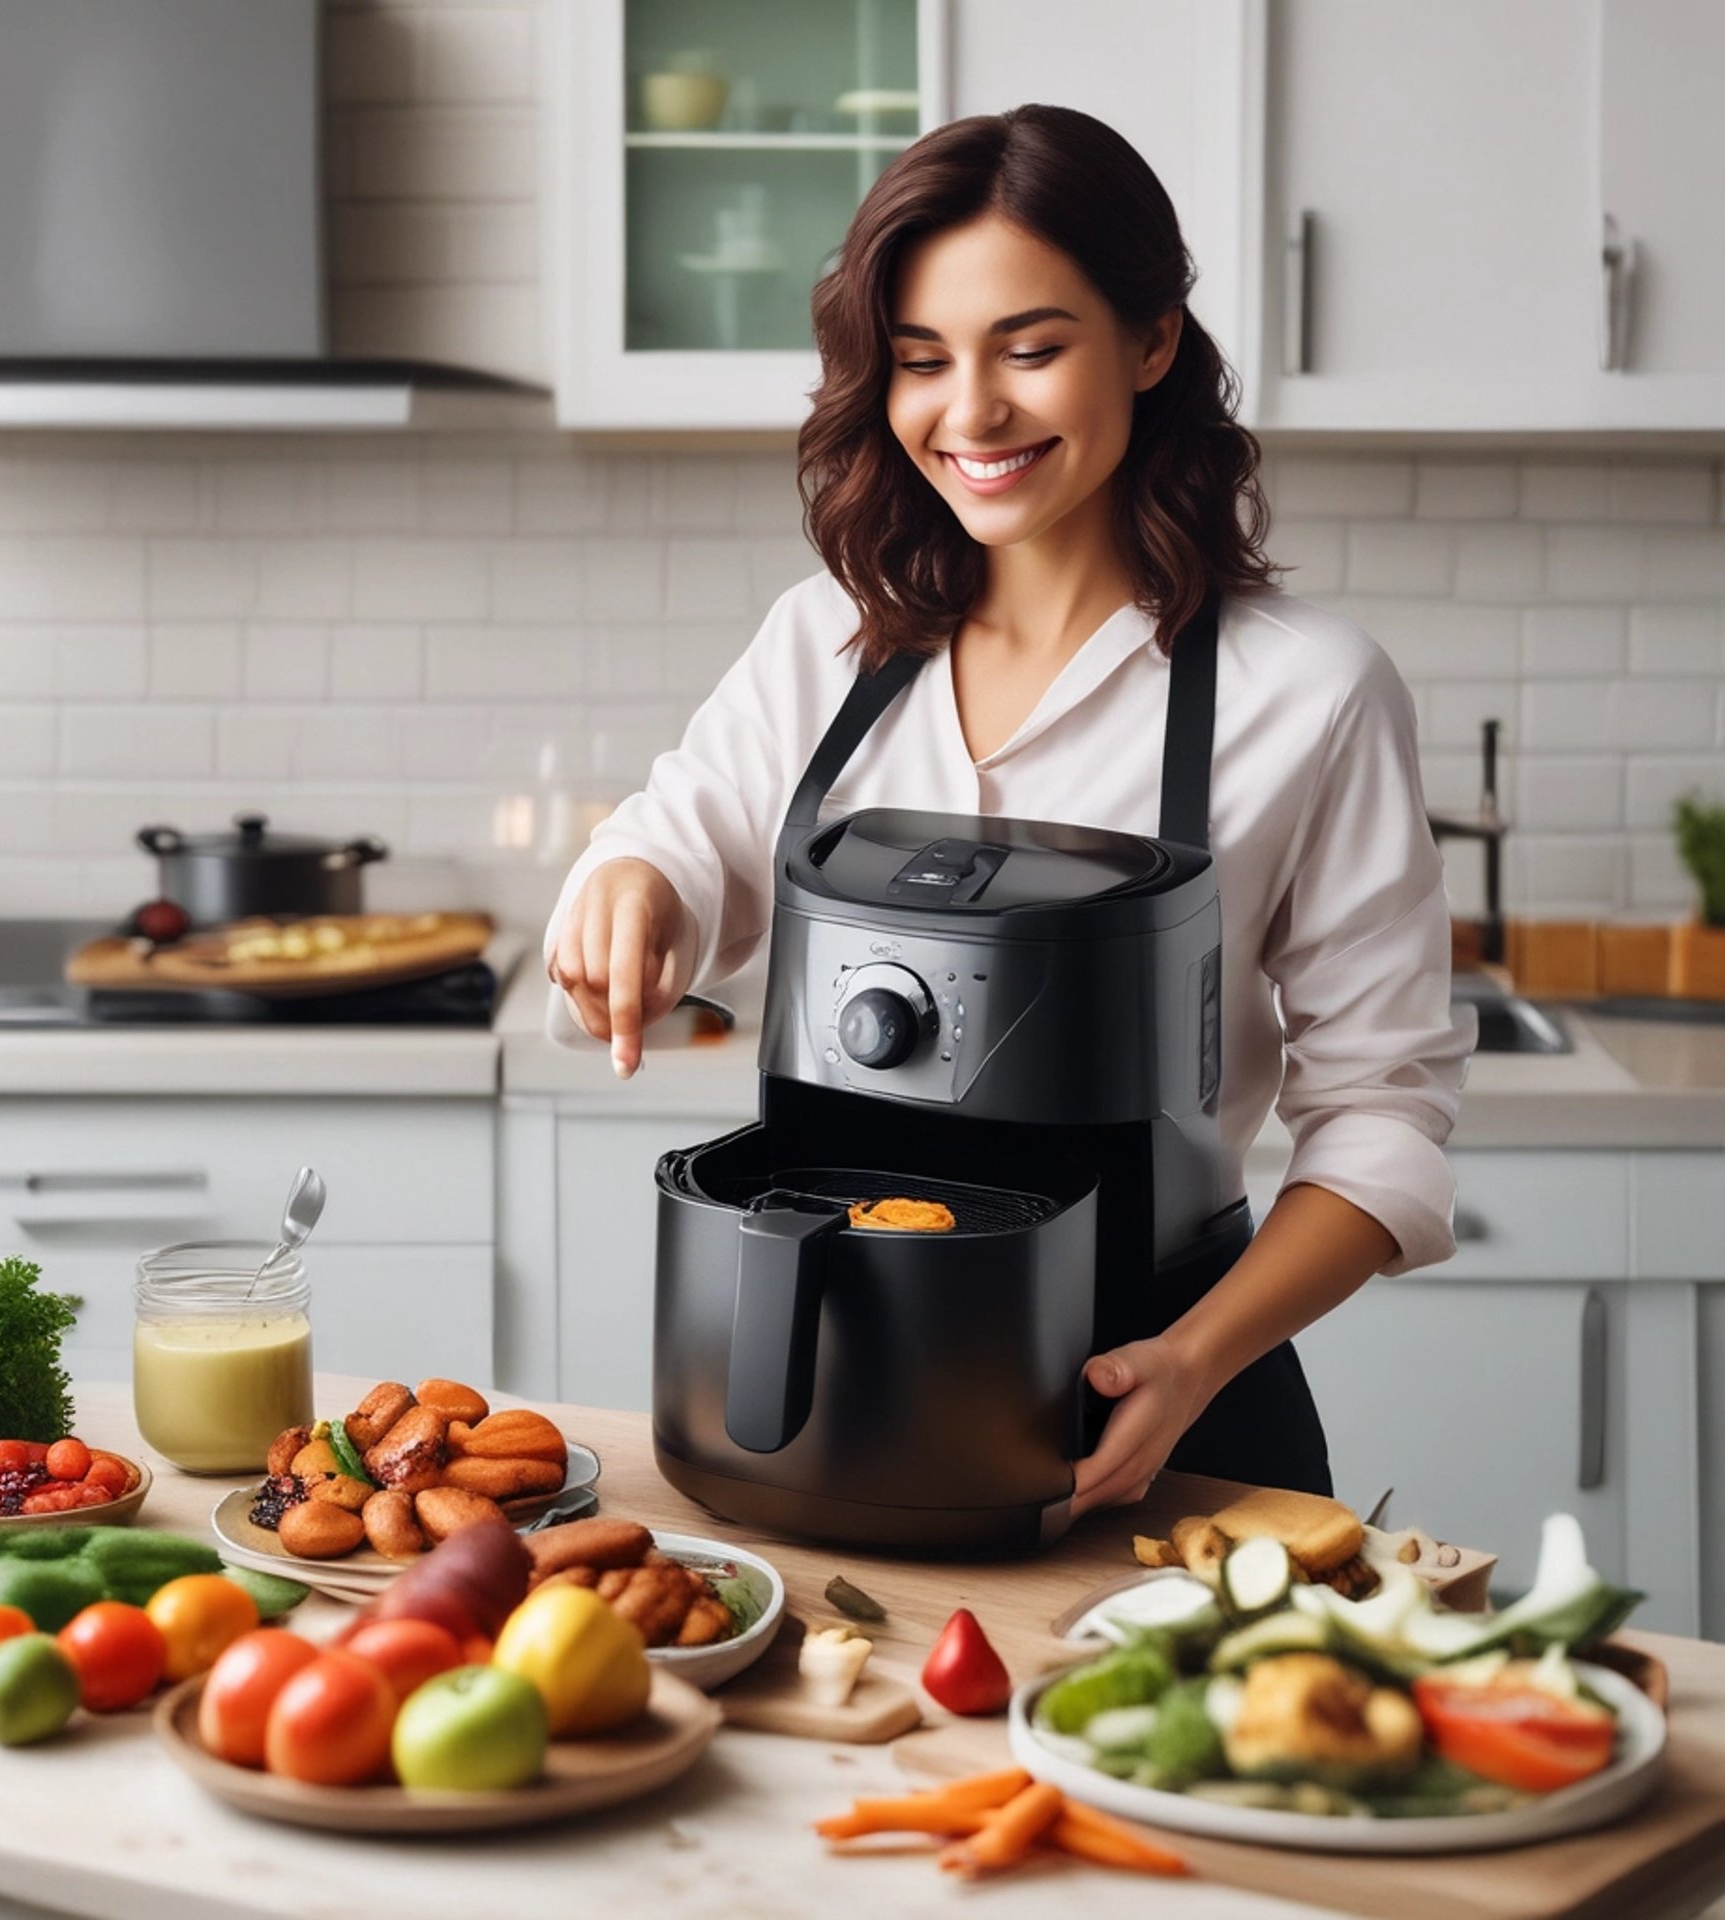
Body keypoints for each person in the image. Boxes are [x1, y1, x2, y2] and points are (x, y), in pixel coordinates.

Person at [545, 105, 1472, 1515]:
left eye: (1030, 351)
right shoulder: (828, 644)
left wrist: (1194, 1361)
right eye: (922, 363)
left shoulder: (1312, 691)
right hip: (830, 1379)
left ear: (1153, 341)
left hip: (1169, 1404)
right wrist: (632, 886)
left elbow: (1383, 1116)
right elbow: (687, 837)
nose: (970, 413)